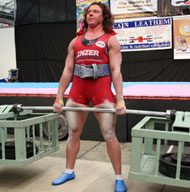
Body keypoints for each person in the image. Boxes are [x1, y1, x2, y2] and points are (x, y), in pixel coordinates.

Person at [52, 2, 127, 192]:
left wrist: (120, 99)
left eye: (96, 12)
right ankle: (69, 171)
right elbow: (68, 70)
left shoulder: (111, 40)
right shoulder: (75, 42)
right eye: (89, 12)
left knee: (109, 135)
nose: (91, 14)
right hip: (78, 91)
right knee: (74, 133)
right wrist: (59, 97)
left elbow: (116, 71)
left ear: (103, 17)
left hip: (102, 91)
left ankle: (119, 178)